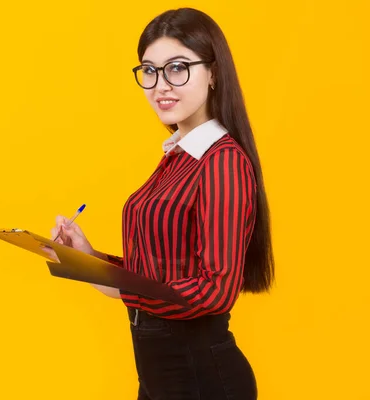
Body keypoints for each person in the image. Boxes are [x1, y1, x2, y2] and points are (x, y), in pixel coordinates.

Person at [48, 7, 274, 400]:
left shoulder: (223, 162)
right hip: (158, 377)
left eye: (177, 68)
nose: (160, 85)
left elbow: (215, 290)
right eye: (149, 71)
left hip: (201, 381)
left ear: (214, 73)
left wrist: (126, 288)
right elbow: (155, 274)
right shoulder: (177, 157)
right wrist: (87, 259)